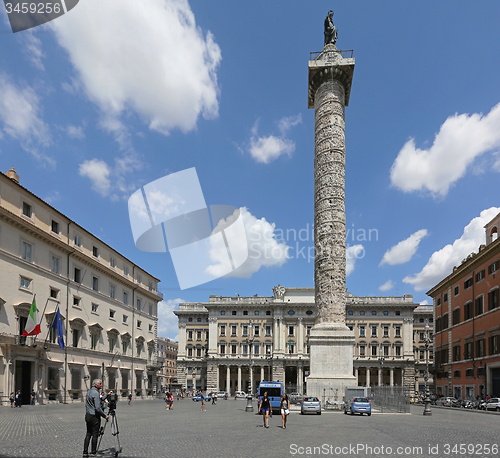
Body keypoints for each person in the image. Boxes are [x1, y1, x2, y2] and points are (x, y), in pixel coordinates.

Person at [83, 379, 109, 458]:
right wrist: (105, 416)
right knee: (95, 435)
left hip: (88, 415)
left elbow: (97, 401)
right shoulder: (96, 393)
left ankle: (85, 452)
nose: (101, 385)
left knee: (88, 434)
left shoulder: (89, 392)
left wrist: (106, 395)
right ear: (95, 385)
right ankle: (94, 452)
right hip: (94, 417)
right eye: (100, 384)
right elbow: (97, 408)